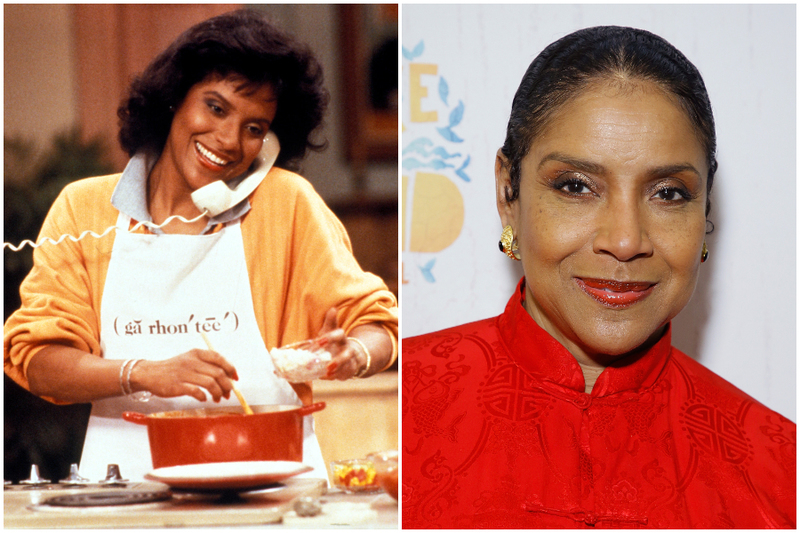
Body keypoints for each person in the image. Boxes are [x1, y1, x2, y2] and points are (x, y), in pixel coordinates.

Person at [402, 26, 794, 528]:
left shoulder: (781, 472)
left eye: (669, 193)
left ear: (704, 213)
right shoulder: (398, 417)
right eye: (576, 186)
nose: (626, 240)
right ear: (507, 194)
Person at [4, 9, 398, 482]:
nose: (229, 140)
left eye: (255, 128)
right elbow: (40, 361)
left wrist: (355, 352)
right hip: (125, 491)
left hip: (274, 490)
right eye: (215, 107)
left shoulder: (285, 204)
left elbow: (378, 326)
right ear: (174, 98)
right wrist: (143, 372)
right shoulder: (83, 208)